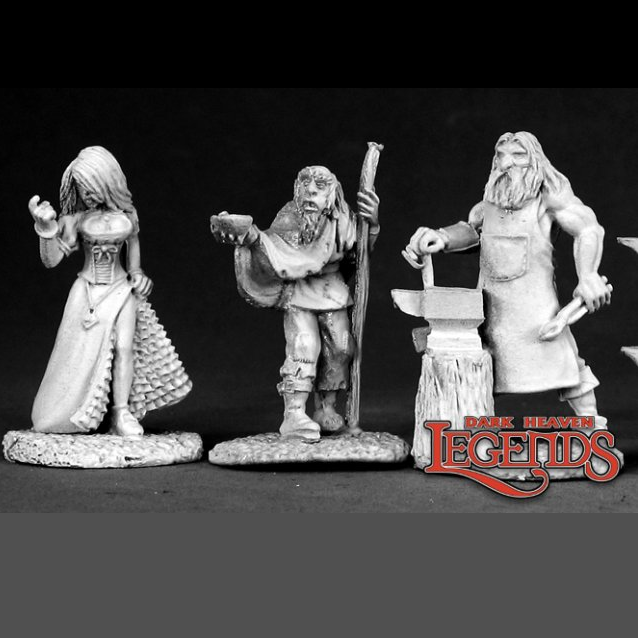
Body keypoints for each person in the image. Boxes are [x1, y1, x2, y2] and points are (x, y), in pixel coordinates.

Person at [404, 131, 611, 428]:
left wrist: (588, 274)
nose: (506, 163)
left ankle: (592, 427)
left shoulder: (549, 199)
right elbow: (472, 230)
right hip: (491, 307)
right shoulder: (488, 204)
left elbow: (589, 230)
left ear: (534, 160)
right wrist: (442, 237)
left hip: (536, 307)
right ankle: (469, 431)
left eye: (518, 155)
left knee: (565, 364)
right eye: (501, 156)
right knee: (484, 368)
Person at [29, 146, 191, 436]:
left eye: (90, 187)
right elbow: (51, 260)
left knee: (125, 348)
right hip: (87, 292)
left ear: (106, 181)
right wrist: (46, 228)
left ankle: (121, 412)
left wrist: (139, 276)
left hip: (121, 289)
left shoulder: (128, 216)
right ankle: (70, 411)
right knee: (77, 354)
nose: (87, 195)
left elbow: (134, 259)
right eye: (82, 189)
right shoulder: (76, 221)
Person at [212, 165, 379, 441]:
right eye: (305, 185)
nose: (310, 192)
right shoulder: (291, 216)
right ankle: (295, 413)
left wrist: (372, 223)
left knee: (340, 348)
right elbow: (274, 246)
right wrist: (250, 237)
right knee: (304, 345)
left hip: (332, 292)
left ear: (332, 193)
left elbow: (360, 253)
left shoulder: (344, 219)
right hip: (300, 293)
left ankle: (326, 407)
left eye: (319, 187)